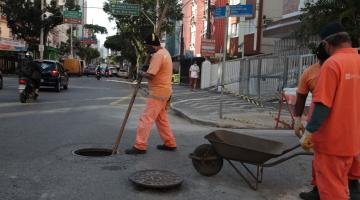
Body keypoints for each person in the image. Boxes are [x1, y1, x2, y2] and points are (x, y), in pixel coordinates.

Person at [299, 22, 360, 200]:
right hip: (352, 141)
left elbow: (323, 105)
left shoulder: (332, 64)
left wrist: (309, 132)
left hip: (331, 142)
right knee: (340, 186)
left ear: (326, 44)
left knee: (332, 191)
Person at [125, 33, 176, 155]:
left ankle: (140, 146)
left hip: (158, 92)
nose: (146, 49)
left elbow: (151, 75)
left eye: (147, 46)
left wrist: (141, 72)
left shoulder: (158, 56)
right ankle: (170, 143)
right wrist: (147, 67)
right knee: (161, 119)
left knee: (146, 118)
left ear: (152, 46)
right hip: (166, 91)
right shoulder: (165, 53)